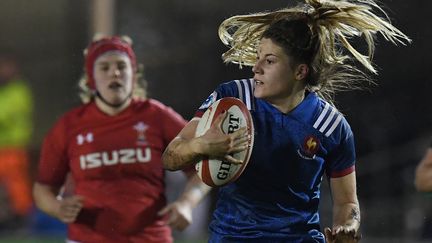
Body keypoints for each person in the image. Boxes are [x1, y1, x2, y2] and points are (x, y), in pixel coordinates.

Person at [162, 0, 411, 242]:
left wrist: (347, 227)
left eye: (269, 61)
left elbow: (347, 202)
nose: (256, 67)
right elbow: (171, 156)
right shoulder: (232, 99)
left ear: (300, 72)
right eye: (258, 57)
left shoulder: (331, 126)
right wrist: (200, 146)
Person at [32, 35, 210, 242]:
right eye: (104, 67)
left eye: (122, 66)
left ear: (133, 74)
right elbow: (43, 188)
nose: (114, 73)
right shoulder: (70, 125)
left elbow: (203, 168)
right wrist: (57, 207)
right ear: (91, 78)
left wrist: (186, 203)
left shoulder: (157, 116)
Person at [0, 53, 33, 228]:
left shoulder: (19, 90)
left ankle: (22, 221)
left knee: (16, 185)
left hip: (13, 148)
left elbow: (4, 116)